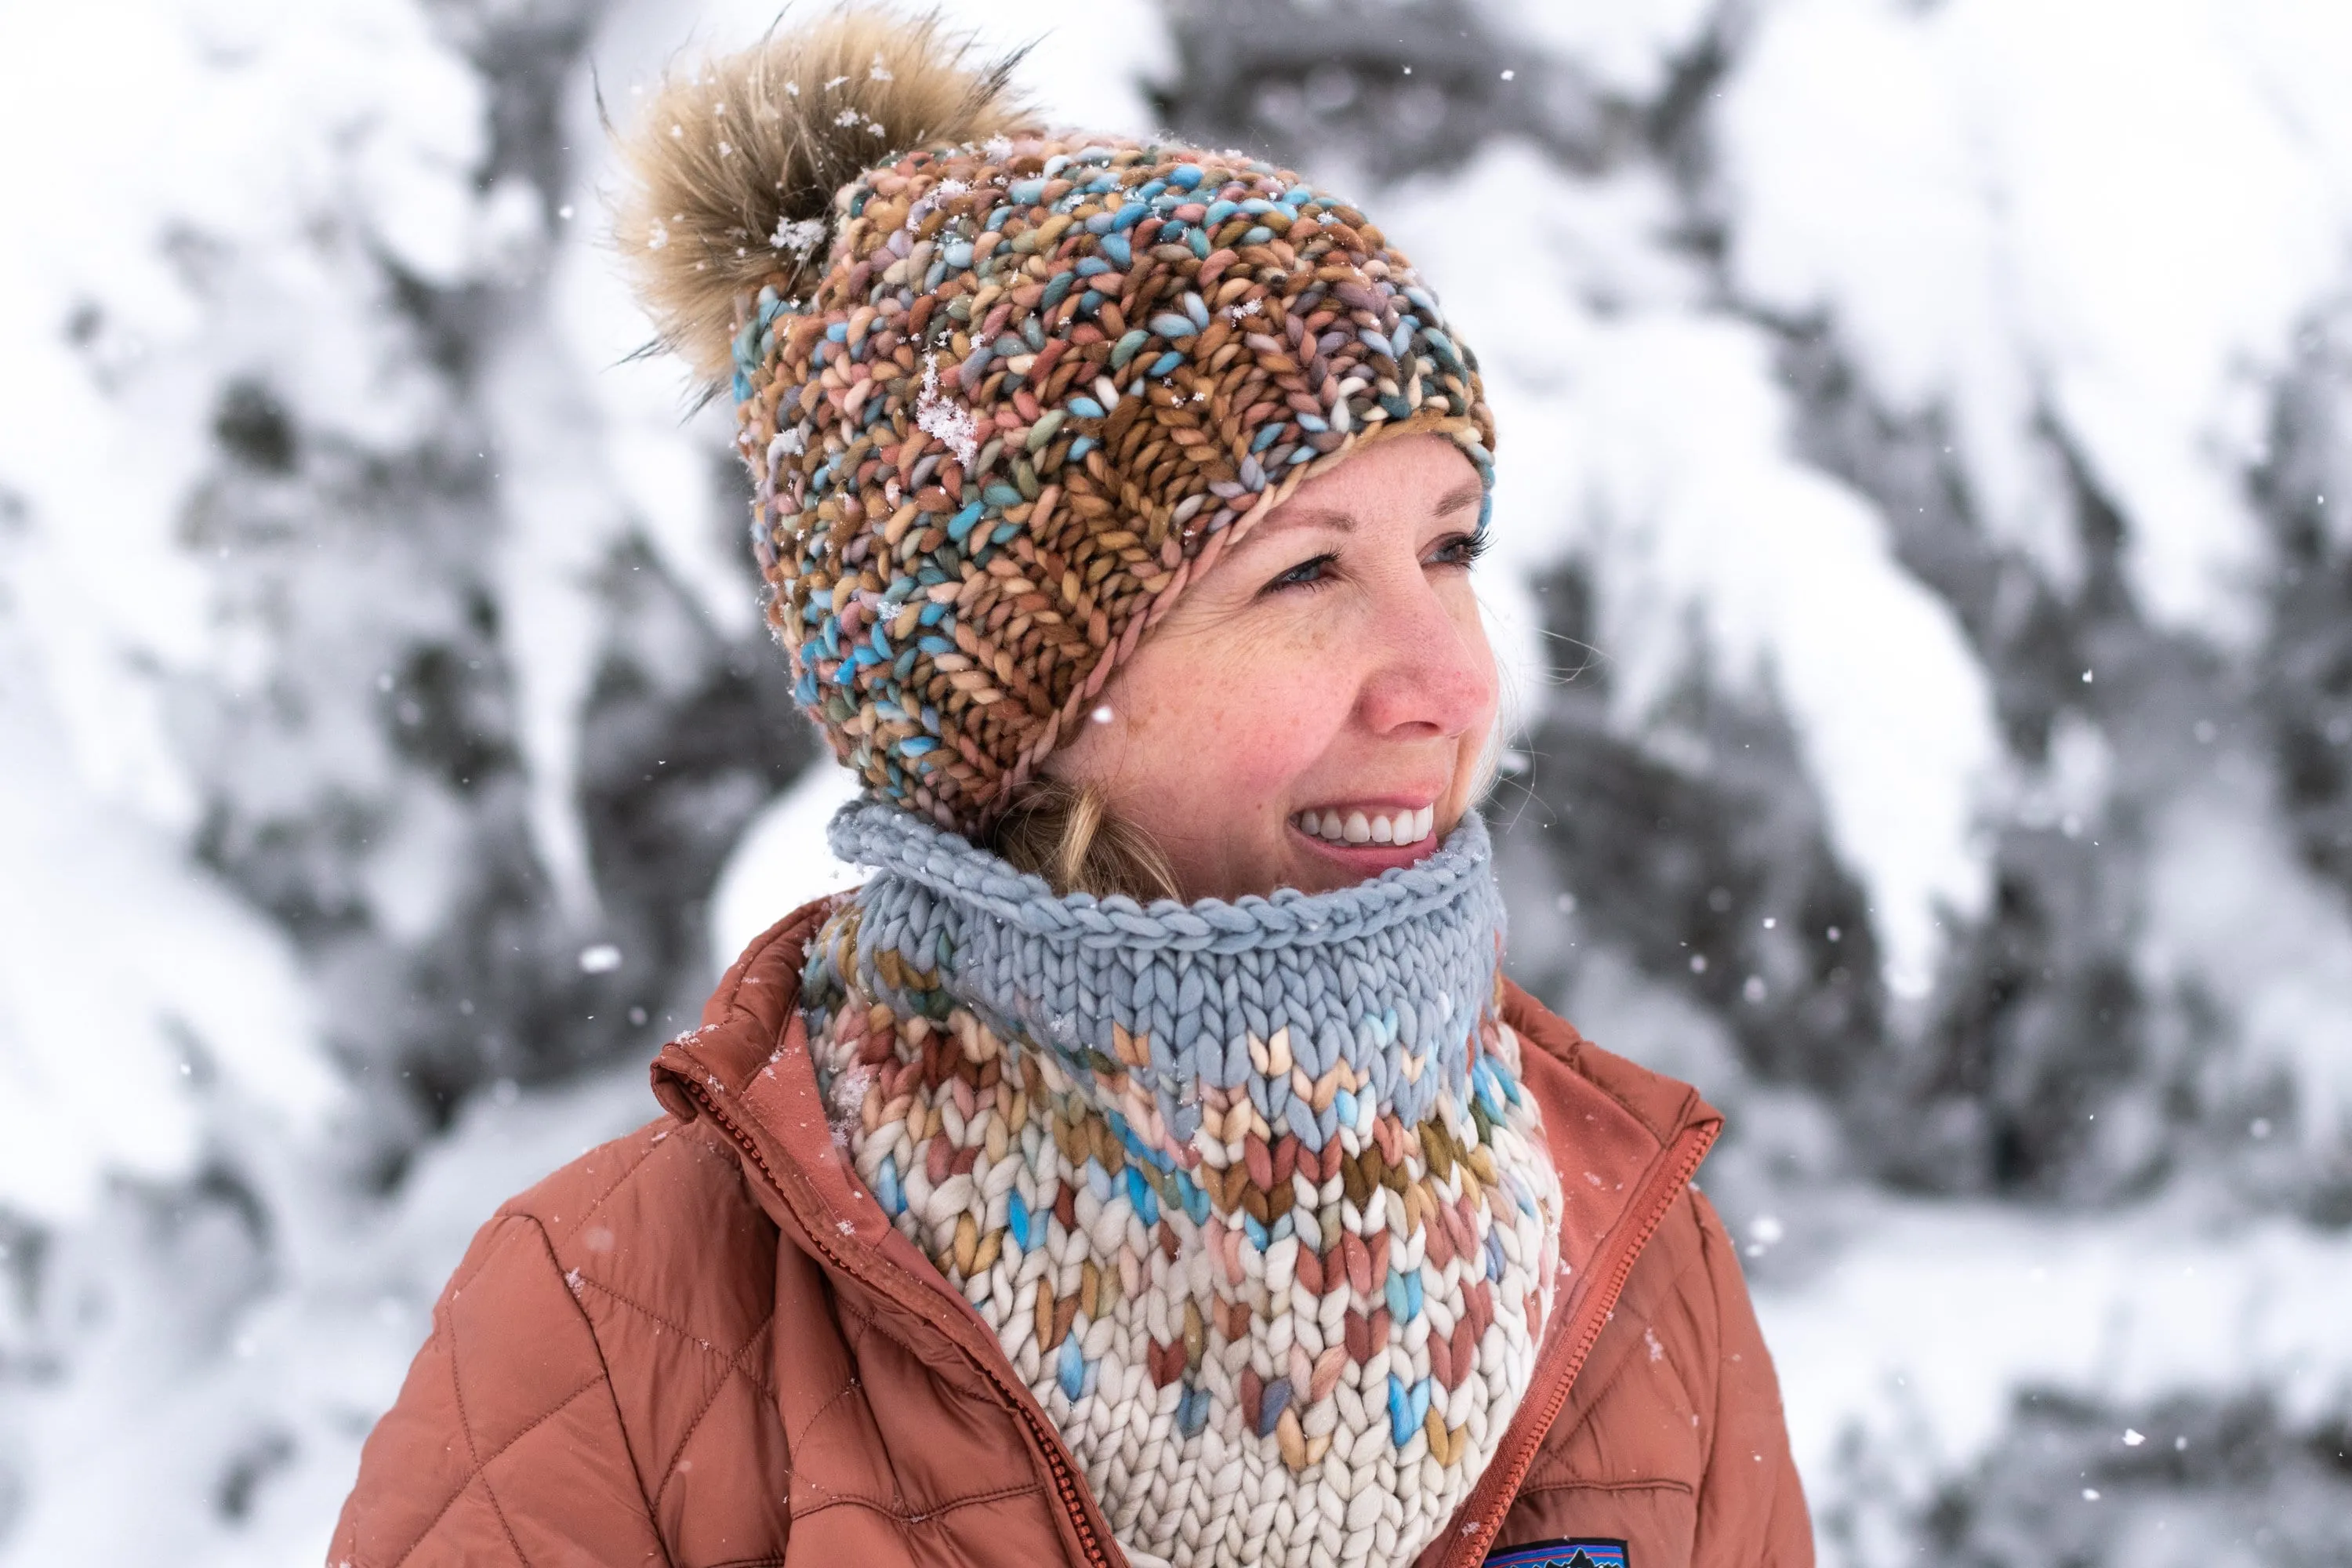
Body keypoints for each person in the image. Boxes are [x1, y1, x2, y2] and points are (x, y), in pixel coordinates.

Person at [329, 10, 1811, 1567]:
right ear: (1019, 702)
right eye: (1305, 571)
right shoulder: (622, 1333)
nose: (1448, 682)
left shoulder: (1636, 1267)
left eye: (1449, 547)